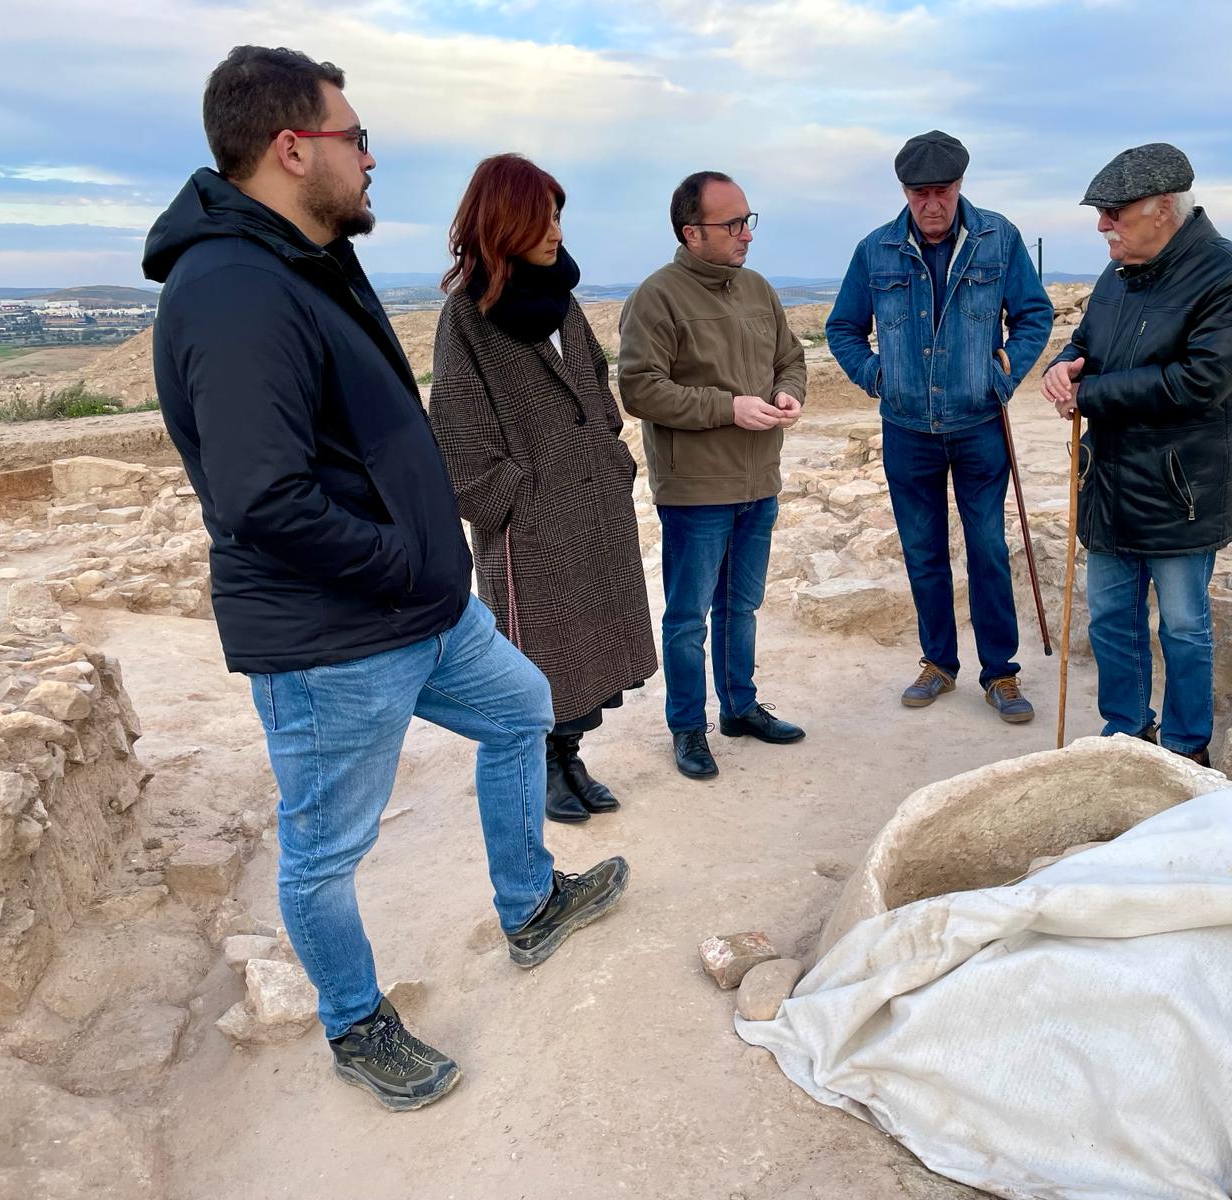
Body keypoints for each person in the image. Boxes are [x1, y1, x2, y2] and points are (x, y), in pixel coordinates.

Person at [143, 46, 628, 1112]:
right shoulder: (230, 290)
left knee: (520, 710)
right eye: (355, 137)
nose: (371, 159)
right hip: (334, 642)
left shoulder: (301, 257)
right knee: (325, 850)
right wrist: (405, 562)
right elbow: (261, 500)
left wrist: (424, 577)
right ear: (290, 147)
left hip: (422, 612)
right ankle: (356, 1021)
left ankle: (527, 899)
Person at [429, 154, 657, 825]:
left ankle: (571, 752)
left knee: (592, 643)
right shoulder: (467, 317)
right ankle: (545, 765)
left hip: (592, 505)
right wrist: (514, 500)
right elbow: (459, 436)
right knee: (539, 656)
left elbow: (594, 383)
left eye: (558, 215)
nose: (555, 229)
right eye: (541, 216)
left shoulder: (563, 301)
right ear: (505, 221)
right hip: (530, 525)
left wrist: (612, 455)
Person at [1040, 142, 1232, 766]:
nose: (1101, 225)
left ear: (1163, 207)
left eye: (1113, 212)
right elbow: (1085, 342)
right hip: (1110, 477)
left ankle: (1187, 749)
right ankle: (1125, 732)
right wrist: (1064, 370)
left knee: (1184, 628)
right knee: (1111, 618)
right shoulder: (1117, 275)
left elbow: (1201, 381)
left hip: (1180, 486)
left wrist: (1092, 391)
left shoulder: (1227, 274)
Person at [827, 131, 1054, 723]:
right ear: (904, 191)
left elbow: (1034, 316)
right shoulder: (875, 249)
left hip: (980, 423)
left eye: (942, 191)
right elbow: (843, 328)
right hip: (906, 428)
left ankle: (1001, 672)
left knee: (987, 549)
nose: (931, 203)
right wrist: (878, 376)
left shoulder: (998, 239)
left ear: (960, 186)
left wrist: (1005, 372)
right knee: (923, 553)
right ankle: (938, 663)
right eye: (919, 191)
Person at [617, 171, 807, 780]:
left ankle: (740, 708)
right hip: (697, 490)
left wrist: (786, 392)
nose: (746, 234)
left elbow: (791, 357)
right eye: (732, 224)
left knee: (741, 607)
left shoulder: (757, 289)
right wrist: (727, 407)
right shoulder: (657, 296)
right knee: (687, 615)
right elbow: (640, 389)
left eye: (750, 220)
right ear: (690, 232)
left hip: (759, 482)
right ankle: (687, 728)